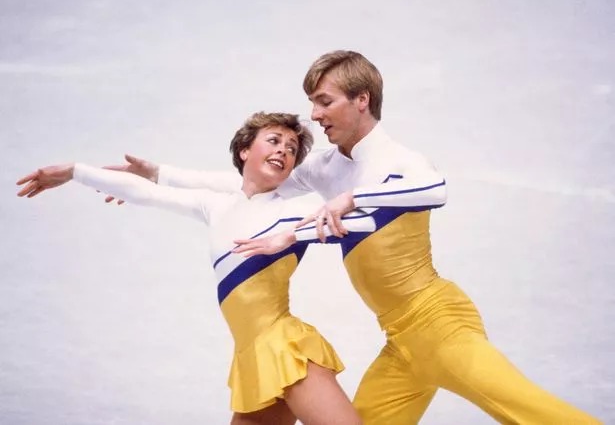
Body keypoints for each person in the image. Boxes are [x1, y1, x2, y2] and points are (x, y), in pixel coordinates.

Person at [108, 51, 601, 424]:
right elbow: (252, 186)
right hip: (400, 344)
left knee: (534, 412)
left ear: (360, 100)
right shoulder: (324, 166)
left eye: (325, 101)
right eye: (314, 104)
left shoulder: (398, 160)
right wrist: (160, 175)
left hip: (440, 325)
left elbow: (436, 189)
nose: (316, 115)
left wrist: (352, 198)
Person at [16, 112, 370, 425]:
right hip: (251, 356)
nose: (283, 151)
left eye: (292, 149)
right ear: (245, 150)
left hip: (286, 348)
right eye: (274, 141)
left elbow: (366, 221)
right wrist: (75, 172)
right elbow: (147, 193)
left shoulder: (297, 209)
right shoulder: (214, 205)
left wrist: (319, 219)